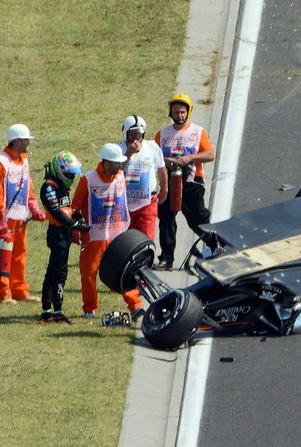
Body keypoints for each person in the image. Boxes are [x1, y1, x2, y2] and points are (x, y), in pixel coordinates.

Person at [71, 143, 144, 321]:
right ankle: (90, 307)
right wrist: (75, 230)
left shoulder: (120, 176)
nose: (121, 166)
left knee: (125, 270)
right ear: (105, 162)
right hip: (93, 236)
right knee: (88, 273)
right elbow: (75, 206)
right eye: (116, 163)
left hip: (117, 235)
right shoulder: (87, 179)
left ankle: (135, 305)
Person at [0, 124, 47, 304]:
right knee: (1, 256)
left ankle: (19, 291)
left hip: (19, 217)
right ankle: (2, 293)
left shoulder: (24, 161)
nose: (29, 143)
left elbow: (28, 187)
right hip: (1, 218)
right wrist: (0, 221)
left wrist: (34, 207)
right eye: (27, 140)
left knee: (19, 255)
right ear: (17, 141)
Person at [155, 93, 215, 269]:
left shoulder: (198, 132)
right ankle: (166, 258)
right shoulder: (162, 134)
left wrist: (189, 158)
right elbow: (153, 157)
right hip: (169, 183)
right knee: (166, 220)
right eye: (176, 112)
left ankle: (217, 247)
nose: (179, 115)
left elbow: (210, 154)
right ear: (170, 113)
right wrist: (167, 161)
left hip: (192, 183)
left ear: (188, 112)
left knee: (198, 219)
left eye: (182, 112)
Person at [38, 150, 89, 324]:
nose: (71, 177)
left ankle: (55, 309)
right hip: (57, 234)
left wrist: (77, 216)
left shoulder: (61, 186)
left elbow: (66, 208)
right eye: (69, 173)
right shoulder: (49, 187)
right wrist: (74, 224)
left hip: (64, 233)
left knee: (59, 271)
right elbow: (55, 211)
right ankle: (50, 310)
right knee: (56, 272)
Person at [118, 115, 167, 241]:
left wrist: (164, 189)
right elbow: (115, 171)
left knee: (146, 239)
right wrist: (128, 153)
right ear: (126, 134)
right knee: (125, 241)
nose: (136, 138)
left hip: (147, 203)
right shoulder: (118, 150)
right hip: (124, 204)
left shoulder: (152, 147)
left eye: (139, 134)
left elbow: (161, 169)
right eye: (132, 135)